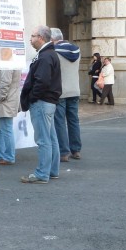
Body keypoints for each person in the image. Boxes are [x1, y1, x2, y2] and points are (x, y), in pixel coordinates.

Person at [19, 25, 62, 184]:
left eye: (33, 36)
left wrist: (32, 97)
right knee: (51, 138)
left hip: (42, 102)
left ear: (41, 38)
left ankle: (42, 173)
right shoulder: (50, 54)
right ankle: (52, 170)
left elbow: (42, 81)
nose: (30, 39)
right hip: (48, 101)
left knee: (43, 139)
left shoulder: (44, 56)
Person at [51, 27, 82, 162]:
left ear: (52, 39)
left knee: (60, 122)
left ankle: (64, 152)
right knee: (73, 120)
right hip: (75, 90)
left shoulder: (54, 52)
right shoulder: (77, 50)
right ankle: (76, 150)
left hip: (60, 91)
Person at [0, 58, 22, 166]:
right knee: (0, 129)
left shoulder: (7, 63)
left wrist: (0, 98)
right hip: (4, 101)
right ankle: (1, 155)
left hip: (4, 101)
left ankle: (8, 156)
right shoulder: (8, 62)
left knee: (5, 129)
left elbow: (5, 82)